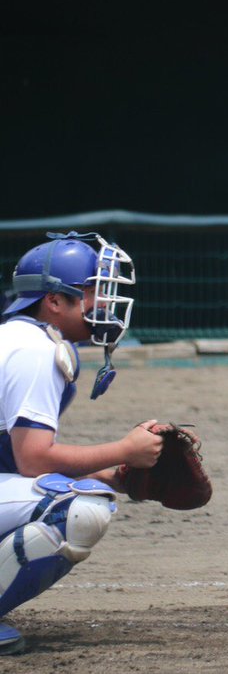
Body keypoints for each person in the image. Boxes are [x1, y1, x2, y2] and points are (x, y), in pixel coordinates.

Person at [0, 232, 162, 655]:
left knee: (73, 492)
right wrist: (123, 451)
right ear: (54, 301)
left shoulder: (19, 338)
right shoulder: (35, 350)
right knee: (80, 507)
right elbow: (33, 460)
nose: (103, 303)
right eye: (92, 291)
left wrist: (115, 475)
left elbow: (13, 461)